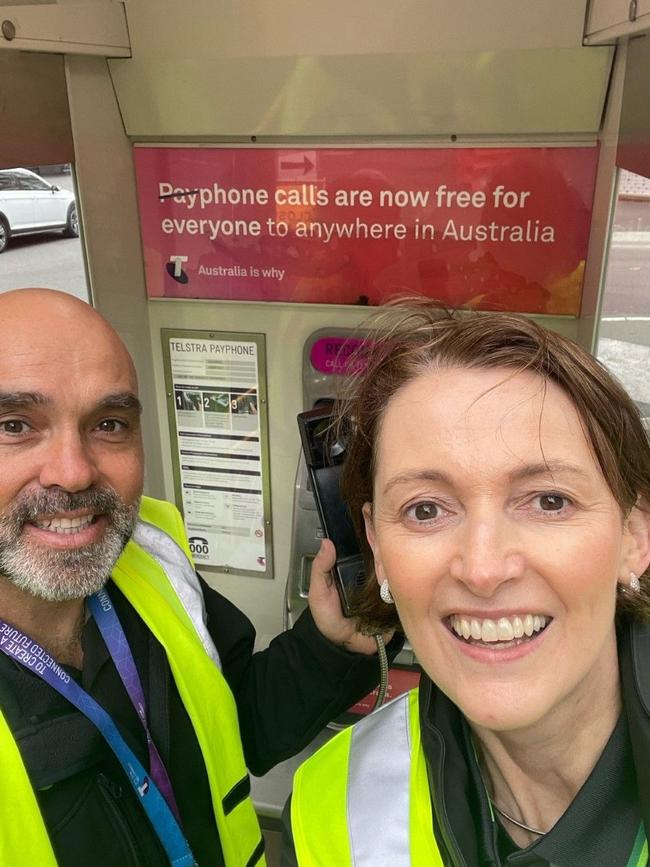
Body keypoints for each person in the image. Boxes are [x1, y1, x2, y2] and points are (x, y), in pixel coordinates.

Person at [0, 288, 396, 867]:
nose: (74, 471)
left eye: (108, 424)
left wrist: (328, 645)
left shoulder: (148, 561)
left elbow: (235, 730)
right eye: (15, 424)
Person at [286, 300, 650, 866]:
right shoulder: (332, 800)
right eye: (426, 510)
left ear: (634, 534)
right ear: (376, 548)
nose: (482, 570)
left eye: (549, 501)